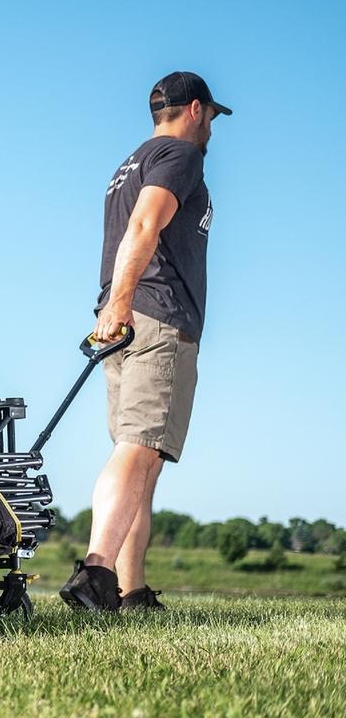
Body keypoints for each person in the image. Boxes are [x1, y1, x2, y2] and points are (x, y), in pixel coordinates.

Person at [59, 71, 232, 611]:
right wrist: (120, 304)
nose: (211, 131)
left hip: (129, 315)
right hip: (154, 317)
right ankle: (97, 573)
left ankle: (130, 590)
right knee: (141, 446)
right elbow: (143, 227)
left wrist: (115, 306)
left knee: (140, 454)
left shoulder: (130, 162)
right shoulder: (180, 156)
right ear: (196, 110)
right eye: (211, 119)